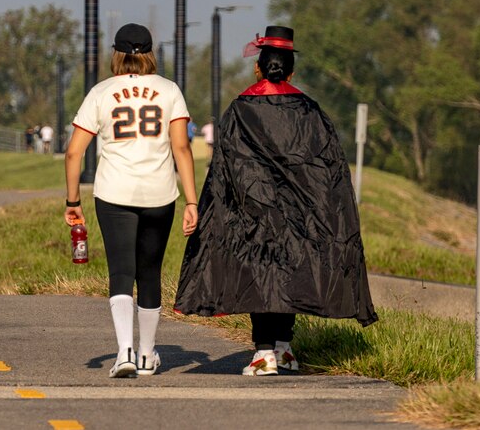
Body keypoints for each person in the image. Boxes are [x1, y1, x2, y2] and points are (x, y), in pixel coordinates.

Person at [173, 26, 376, 375]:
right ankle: (283, 348)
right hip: (300, 211)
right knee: (290, 272)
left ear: (258, 68)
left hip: (253, 208)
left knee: (260, 275)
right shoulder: (310, 111)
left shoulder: (239, 109)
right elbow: (328, 166)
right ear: (292, 71)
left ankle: (264, 351)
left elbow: (225, 165)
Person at [64, 23, 199, 378]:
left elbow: (73, 153)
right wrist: (192, 201)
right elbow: (181, 147)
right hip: (160, 193)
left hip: (114, 192)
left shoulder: (101, 92)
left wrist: (72, 201)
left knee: (121, 271)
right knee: (150, 273)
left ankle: (123, 352)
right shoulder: (169, 90)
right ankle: (147, 354)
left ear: (116, 53)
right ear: (151, 53)